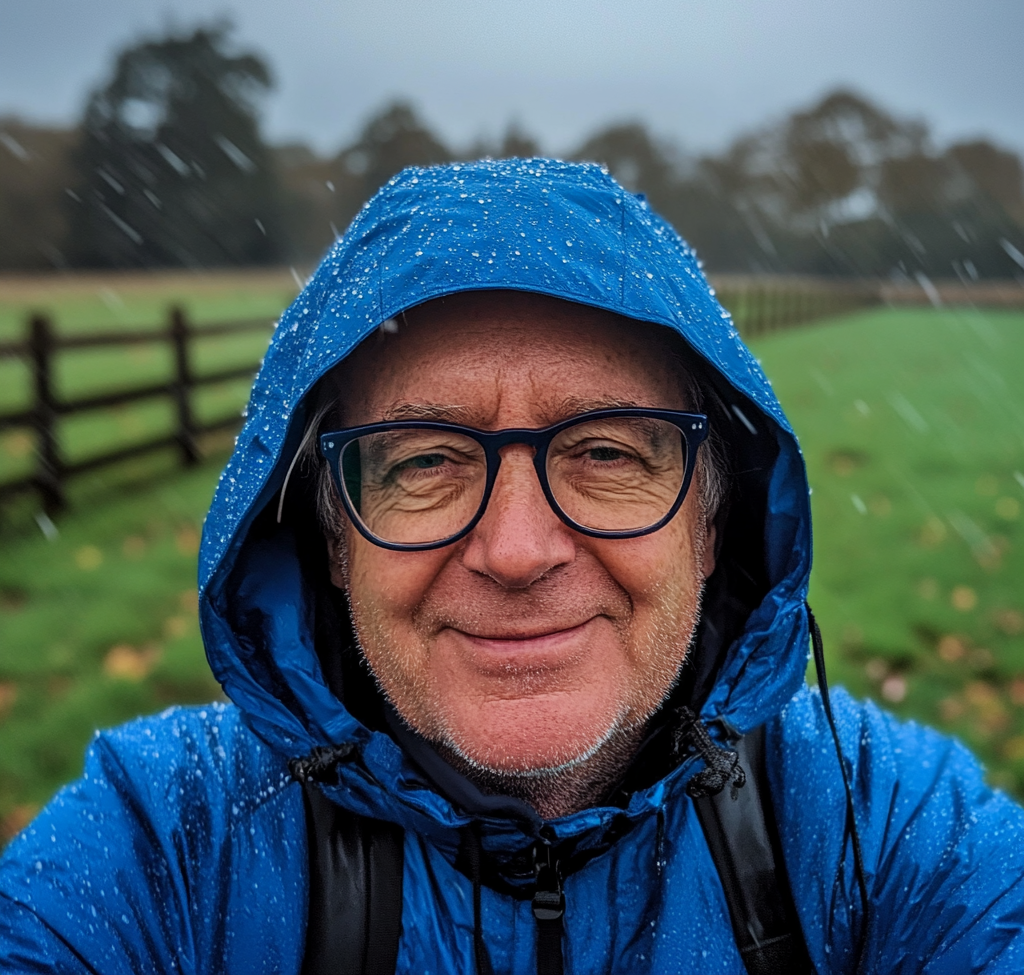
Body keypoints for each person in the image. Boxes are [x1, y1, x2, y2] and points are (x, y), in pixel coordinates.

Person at [1, 159, 1022, 974]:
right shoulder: (162, 848)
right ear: (330, 535)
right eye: (426, 462)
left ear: (712, 523)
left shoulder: (882, 827)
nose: (519, 550)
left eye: (608, 452)